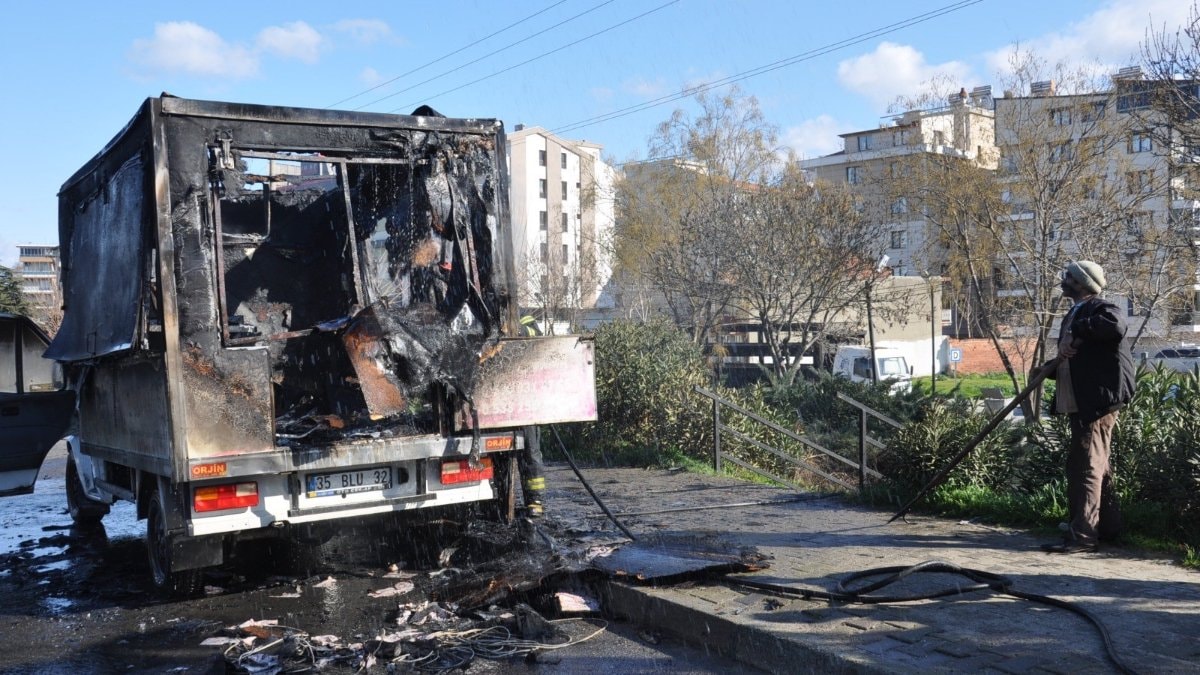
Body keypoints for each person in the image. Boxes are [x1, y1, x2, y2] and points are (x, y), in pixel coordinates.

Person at [1042, 260, 1135, 554]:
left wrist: (1076, 330)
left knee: (1086, 467)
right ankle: (1107, 528)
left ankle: (1082, 537)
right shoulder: (1077, 312)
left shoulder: (1101, 308)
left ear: (1082, 283)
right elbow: (1082, 358)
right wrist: (1049, 369)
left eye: (1069, 276)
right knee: (1094, 465)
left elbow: (1116, 326)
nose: (1064, 280)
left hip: (1096, 404)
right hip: (1081, 402)